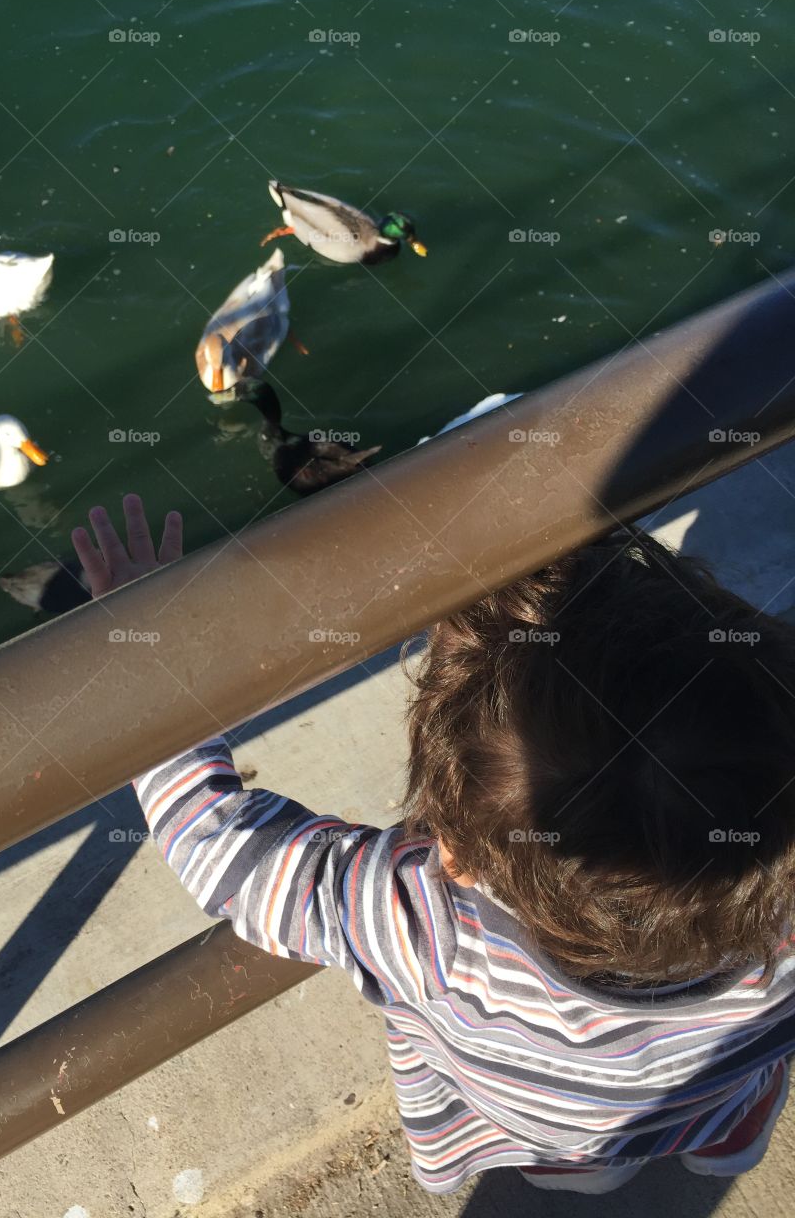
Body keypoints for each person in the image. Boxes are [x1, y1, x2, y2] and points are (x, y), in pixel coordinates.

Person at [73, 494, 795, 1196]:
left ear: (451, 854)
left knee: (584, 1165)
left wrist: (148, 663)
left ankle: (599, 1173)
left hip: (544, 1130)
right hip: (721, 1095)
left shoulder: (421, 928)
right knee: (725, 1126)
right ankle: (719, 1153)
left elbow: (222, 848)